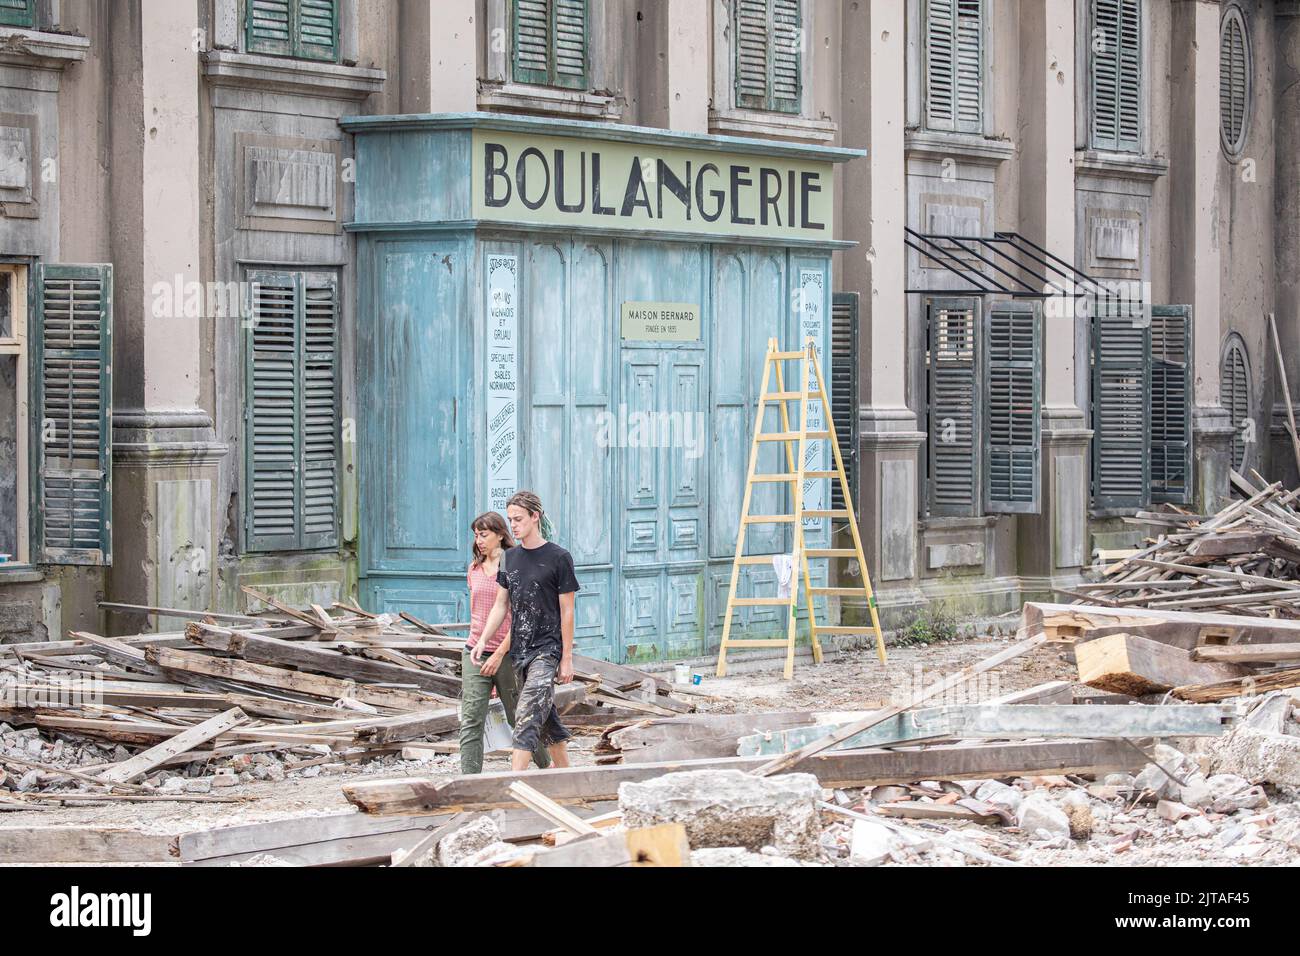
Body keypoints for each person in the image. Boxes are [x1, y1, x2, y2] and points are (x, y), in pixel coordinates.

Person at [477, 490, 579, 771]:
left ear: (536, 517)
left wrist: (566, 658)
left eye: (519, 519)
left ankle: (514, 782)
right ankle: (567, 777)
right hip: (520, 651)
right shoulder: (509, 558)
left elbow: (568, 611)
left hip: (547, 650)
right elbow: (501, 604)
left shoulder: (559, 557)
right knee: (545, 716)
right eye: (510, 520)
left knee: (526, 713)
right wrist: (483, 639)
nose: (514, 525)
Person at [459, 511, 550, 775]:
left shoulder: (514, 567)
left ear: (500, 535)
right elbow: (478, 613)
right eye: (476, 536)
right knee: (472, 718)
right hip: (475, 651)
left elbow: (520, 616)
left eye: (484, 535)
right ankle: (470, 781)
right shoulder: (473, 569)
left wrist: (500, 653)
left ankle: (546, 765)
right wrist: (480, 646)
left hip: (510, 653)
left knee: (518, 716)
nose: (479, 541)